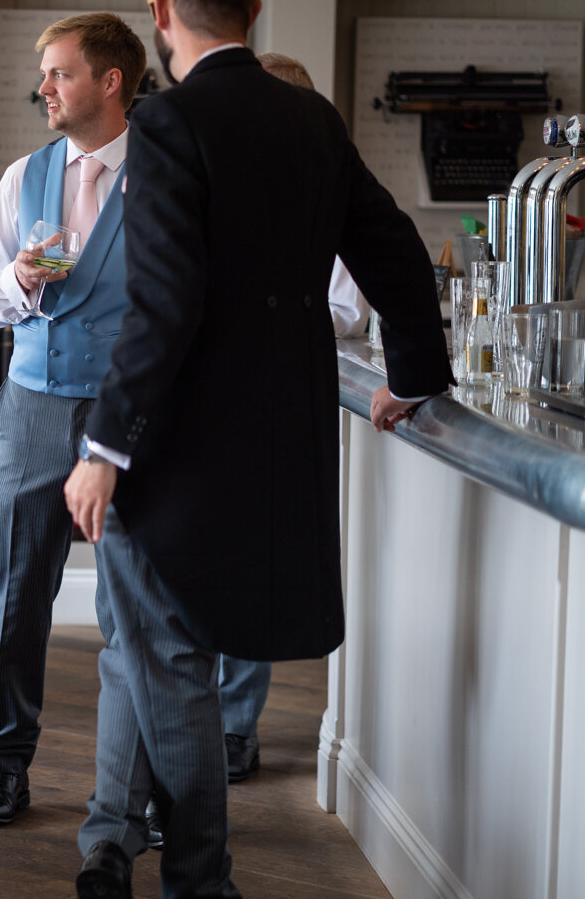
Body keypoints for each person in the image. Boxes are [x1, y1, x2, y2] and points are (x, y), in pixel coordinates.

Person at [62, 0, 451, 899]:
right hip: (282, 440)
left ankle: (198, 876)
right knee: (184, 655)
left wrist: (105, 445)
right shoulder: (309, 118)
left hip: (178, 447)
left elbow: (162, 301)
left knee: (169, 658)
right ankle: (156, 855)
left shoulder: (164, 123)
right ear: (255, 10)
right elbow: (396, 246)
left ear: (160, 12)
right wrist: (418, 369)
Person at [0, 12, 148, 828]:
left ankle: (136, 788)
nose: (43, 87)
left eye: (59, 73)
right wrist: (22, 281)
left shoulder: (169, 178)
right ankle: (6, 763)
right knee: (17, 593)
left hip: (130, 415)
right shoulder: (22, 176)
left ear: (109, 83)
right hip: (33, 406)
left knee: (135, 604)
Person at [215, 52, 369, 787]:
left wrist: (281, 306)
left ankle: (236, 727)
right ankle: (186, 726)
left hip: (279, 409)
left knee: (251, 575)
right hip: (203, 412)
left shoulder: (327, 199)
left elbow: (349, 307)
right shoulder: (207, 189)